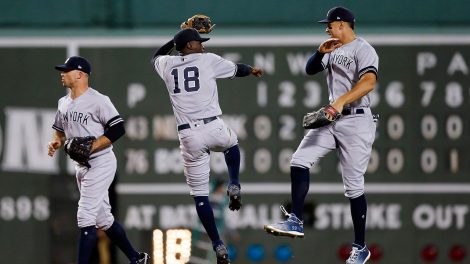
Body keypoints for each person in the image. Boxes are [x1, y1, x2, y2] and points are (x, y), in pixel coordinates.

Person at [264, 6, 378, 264]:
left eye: (329, 24)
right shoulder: (333, 47)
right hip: (331, 117)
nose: (326, 28)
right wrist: (319, 53)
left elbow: (369, 82)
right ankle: (295, 220)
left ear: (341, 24)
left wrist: (340, 101)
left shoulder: (364, 49)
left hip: (357, 120)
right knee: (299, 161)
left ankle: (360, 248)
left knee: (353, 187)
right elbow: (310, 69)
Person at [151, 28, 263, 264]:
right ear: (190, 46)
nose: (202, 45)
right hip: (212, 126)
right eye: (198, 42)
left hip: (188, 136)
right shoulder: (208, 60)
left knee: (200, 196)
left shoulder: (167, 65)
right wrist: (251, 70)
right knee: (232, 144)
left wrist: (175, 38)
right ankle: (234, 183)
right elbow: (238, 69)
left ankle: (217, 244)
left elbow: (156, 56)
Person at [47, 56, 149, 264]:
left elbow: (118, 127)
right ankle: (136, 258)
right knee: (103, 219)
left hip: (101, 162)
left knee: (85, 217)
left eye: (66, 70)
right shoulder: (63, 102)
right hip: (81, 166)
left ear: (80, 74)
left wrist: (93, 145)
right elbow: (58, 131)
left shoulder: (99, 100)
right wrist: (56, 142)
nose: (62, 74)